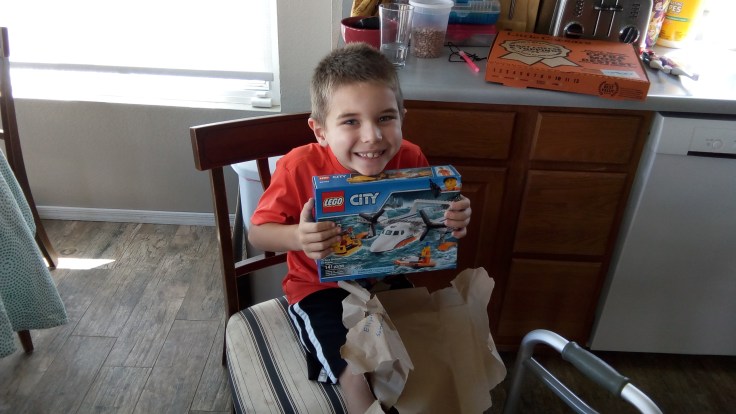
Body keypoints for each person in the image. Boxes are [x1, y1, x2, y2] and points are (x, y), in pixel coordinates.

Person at [248, 43, 472, 414]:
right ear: (320, 131)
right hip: (318, 289)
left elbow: (431, 214)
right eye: (351, 121)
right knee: (352, 368)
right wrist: (297, 238)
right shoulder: (297, 166)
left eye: (385, 118)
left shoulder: (410, 157)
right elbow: (257, 233)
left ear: (402, 117)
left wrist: (455, 218)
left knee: (422, 349)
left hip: (388, 278)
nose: (372, 136)